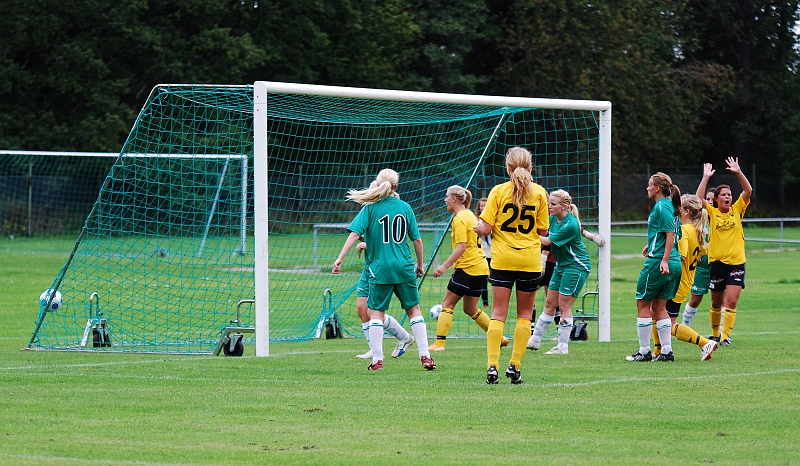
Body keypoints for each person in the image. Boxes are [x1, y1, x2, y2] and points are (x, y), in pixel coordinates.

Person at [332, 169, 435, 371]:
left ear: (378, 184)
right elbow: (417, 240)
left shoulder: (370, 208)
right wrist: (420, 265)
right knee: (414, 311)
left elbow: (355, 234)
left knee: (376, 313)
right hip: (404, 266)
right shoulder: (405, 207)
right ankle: (425, 356)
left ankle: (377, 360)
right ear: (396, 186)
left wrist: (340, 258)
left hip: (380, 268)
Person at [474, 147, 549, 384]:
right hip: (529, 259)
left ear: (507, 168)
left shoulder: (498, 191)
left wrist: (479, 228)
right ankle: (514, 366)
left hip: (502, 259)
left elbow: (486, 228)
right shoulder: (539, 192)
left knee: (498, 314)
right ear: (530, 166)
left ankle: (492, 365)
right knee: (525, 315)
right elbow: (543, 231)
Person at [429, 186, 508, 351]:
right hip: (481, 267)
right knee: (470, 308)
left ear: (454, 199)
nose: (444, 200)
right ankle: (499, 338)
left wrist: (444, 266)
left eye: (446, 196)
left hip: (467, 267)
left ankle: (439, 344)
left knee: (447, 304)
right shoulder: (470, 215)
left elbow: (461, 247)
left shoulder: (459, 218)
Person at [654, 194, 718, 361]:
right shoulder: (697, 231)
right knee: (658, 314)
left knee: (667, 321)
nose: (676, 210)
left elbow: (681, 257)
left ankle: (704, 343)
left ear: (687, 211)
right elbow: (700, 255)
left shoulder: (684, 231)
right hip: (686, 281)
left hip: (676, 282)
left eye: (679, 207)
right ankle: (658, 351)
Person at [526, 190, 592, 355]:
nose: (549, 207)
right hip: (561, 266)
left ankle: (562, 347)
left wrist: (525, 234)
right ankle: (535, 340)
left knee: (564, 306)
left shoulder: (571, 224)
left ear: (564, 206)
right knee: (550, 304)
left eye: (553, 204)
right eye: (549, 203)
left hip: (576, 267)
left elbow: (547, 241)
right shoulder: (552, 219)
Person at [695, 157, 753, 346]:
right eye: (724, 195)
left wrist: (738, 172)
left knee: (732, 301)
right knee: (716, 302)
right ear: (717, 199)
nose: (728, 197)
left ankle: (726, 336)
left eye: (729, 194)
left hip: (736, 263)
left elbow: (748, 190)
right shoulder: (712, 213)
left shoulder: (737, 210)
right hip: (717, 264)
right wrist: (705, 177)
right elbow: (698, 199)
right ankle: (714, 333)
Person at [626, 172, 682, 362]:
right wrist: (651, 244)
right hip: (673, 262)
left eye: (649, 185)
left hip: (659, 262)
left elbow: (671, 235)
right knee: (659, 307)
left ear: (657, 188)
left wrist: (663, 259)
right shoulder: (670, 206)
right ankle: (666, 351)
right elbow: (670, 234)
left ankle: (644, 351)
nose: (647, 188)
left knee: (642, 303)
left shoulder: (662, 207)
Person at [352, 239, 415, 360]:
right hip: (368, 268)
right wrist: (361, 237)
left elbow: (387, 243)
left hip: (381, 268)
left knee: (374, 312)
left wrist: (365, 245)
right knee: (361, 309)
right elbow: (374, 236)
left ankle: (403, 339)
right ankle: (374, 348)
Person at [680, 189, 719, 326]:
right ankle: (684, 327)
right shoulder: (695, 221)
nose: (710, 202)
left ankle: (721, 333)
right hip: (701, 266)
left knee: (719, 301)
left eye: (713, 199)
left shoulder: (722, 219)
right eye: (707, 199)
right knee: (695, 299)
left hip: (719, 264)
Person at [476, 198, 492, 309]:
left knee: (495, 278)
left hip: (493, 253)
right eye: (481, 206)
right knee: (483, 279)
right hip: (482, 253)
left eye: (485, 205)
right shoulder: (476, 220)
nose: (483, 208)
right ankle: (485, 303)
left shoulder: (492, 218)